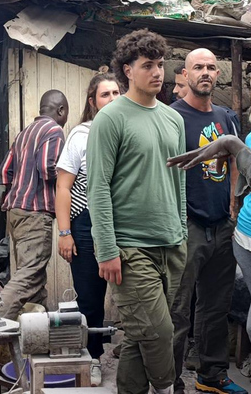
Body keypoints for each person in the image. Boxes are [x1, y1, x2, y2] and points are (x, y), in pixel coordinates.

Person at [87, 29, 187, 394]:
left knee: (139, 335)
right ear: (127, 71)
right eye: (148, 66)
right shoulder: (111, 119)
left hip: (171, 246)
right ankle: (166, 388)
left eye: (160, 65)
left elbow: (178, 180)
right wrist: (107, 249)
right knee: (159, 331)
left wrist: (182, 234)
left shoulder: (172, 119)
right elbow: (97, 187)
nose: (158, 73)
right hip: (130, 248)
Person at [168, 49, 246, 394]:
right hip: (187, 225)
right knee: (177, 309)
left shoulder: (227, 118)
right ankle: (168, 380)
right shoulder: (171, 118)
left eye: (211, 67)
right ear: (184, 75)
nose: (205, 72)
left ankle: (210, 375)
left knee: (216, 306)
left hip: (222, 224)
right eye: (198, 67)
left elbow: (232, 162)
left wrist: (232, 202)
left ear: (218, 74)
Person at [55, 70, 121, 386]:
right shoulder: (81, 136)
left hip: (124, 224)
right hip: (86, 224)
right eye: (104, 94)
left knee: (132, 297)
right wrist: (65, 232)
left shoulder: (129, 130)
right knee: (91, 299)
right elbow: (64, 187)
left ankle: (133, 355)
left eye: (115, 93)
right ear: (93, 102)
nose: (111, 99)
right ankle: (93, 357)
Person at [0, 89, 68, 320]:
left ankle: (40, 335)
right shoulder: (54, 130)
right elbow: (48, 168)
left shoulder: (24, 133)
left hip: (16, 211)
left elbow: (5, 172)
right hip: (35, 213)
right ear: (61, 110)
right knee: (27, 276)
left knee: (35, 279)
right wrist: (70, 181)